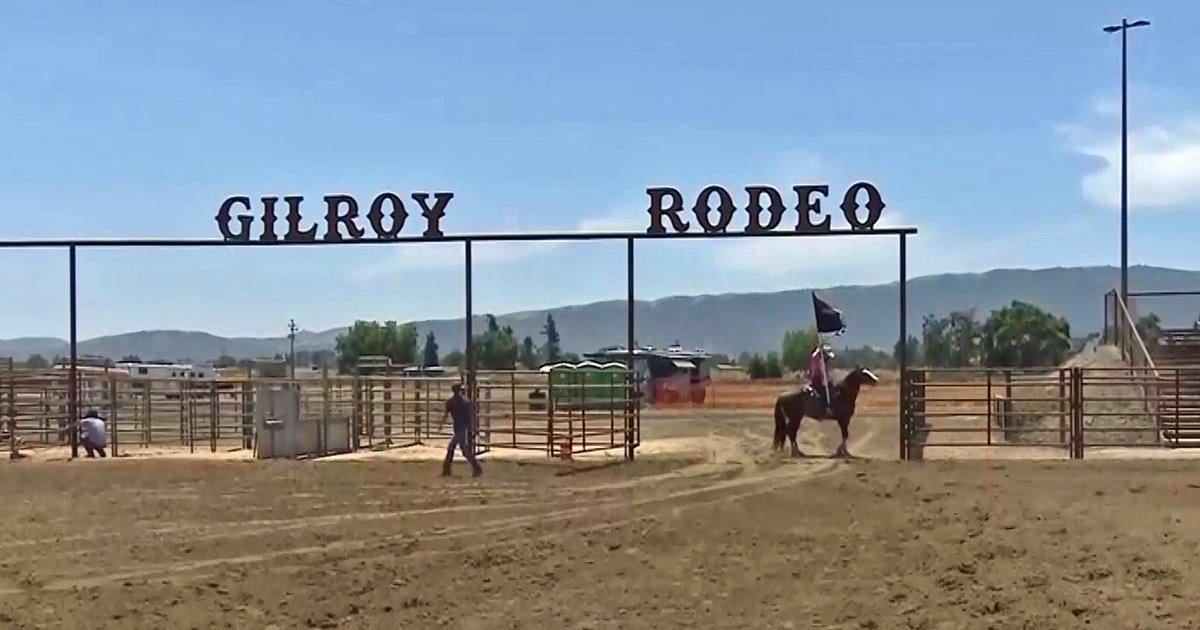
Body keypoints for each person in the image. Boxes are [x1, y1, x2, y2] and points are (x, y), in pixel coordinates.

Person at [441, 383, 482, 477]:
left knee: (454, 448)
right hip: (461, 427)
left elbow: (446, 414)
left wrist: (441, 424)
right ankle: (476, 468)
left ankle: (447, 470)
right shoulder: (464, 402)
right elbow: (470, 416)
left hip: (461, 428)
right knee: (459, 449)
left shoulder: (453, 402)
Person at [809, 343, 836, 409]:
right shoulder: (815, 358)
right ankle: (824, 408)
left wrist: (828, 378)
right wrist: (819, 349)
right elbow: (820, 372)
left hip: (822, 379)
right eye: (827, 356)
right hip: (817, 379)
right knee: (824, 392)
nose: (827, 358)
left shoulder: (823, 361)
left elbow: (825, 372)